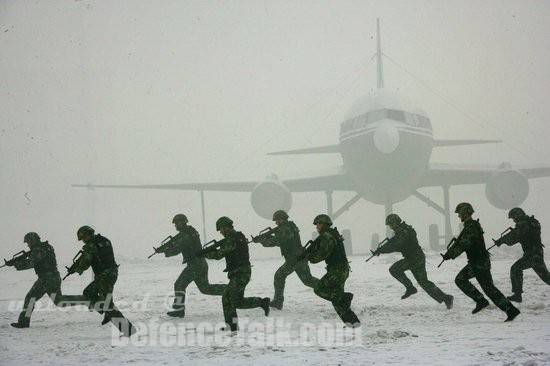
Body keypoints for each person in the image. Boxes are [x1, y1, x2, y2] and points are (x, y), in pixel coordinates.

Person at [441, 203, 520, 321]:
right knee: (489, 289)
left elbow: (464, 244)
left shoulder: (471, 227)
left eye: (460, 213)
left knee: (460, 280)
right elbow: (462, 243)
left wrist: (451, 254)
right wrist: (450, 253)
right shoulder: (471, 225)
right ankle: (511, 310)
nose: (458, 216)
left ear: (466, 213)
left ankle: (480, 300)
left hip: (478, 262)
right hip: (481, 261)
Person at [198, 216, 269, 331]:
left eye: (220, 229)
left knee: (232, 300)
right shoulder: (237, 236)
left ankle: (261, 303)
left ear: (226, 227)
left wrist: (204, 254)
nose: (220, 232)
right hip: (240, 272)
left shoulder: (231, 239)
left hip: (240, 273)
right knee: (229, 299)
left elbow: (219, 254)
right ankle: (233, 324)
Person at [372, 214, 454, 309]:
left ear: (395, 223)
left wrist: (381, 250)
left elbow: (396, 245)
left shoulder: (402, 231)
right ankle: (446, 298)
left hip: (413, 258)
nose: (390, 227)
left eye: (390, 224)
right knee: (424, 282)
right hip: (417, 257)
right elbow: (393, 243)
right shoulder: (403, 230)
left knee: (394, 269)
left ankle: (410, 288)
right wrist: (381, 249)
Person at [67, 225, 135, 336]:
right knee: (96, 295)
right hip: (111, 272)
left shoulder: (91, 245)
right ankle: (107, 313)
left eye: (83, 238)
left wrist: (76, 269)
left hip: (104, 276)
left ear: (87, 235)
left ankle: (128, 330)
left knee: (102, 301)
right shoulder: (104, 240)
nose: (83, 241)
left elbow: (85, 263)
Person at [155, 214, 227, 317]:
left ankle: (179, 309)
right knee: (205, 288)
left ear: (181, 223)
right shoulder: (191, 231)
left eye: (176, 223)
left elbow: (176, 250)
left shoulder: (185, 235)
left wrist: (165, 251)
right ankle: (229, 290)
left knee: (179, 284)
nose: (175, 225)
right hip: (201, 263)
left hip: (195, 265)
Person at [8, 232, 80, 328]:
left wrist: (16, 264)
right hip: (47, 278)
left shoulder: (39, 249)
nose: (28, 245)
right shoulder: (44, 247)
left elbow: (30, 263)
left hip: (49, 278)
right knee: (40, 299)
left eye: (28, 242)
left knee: (57, 301)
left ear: (32, 241)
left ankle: (88, 299)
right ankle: (23, 322)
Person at [253, 210, 319, 310]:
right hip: (299, 257)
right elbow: (283, 241)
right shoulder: (290, 227)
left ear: (282, 219)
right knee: (308, 280)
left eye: (277, 220)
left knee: (279, 276)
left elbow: (274, 242)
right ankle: (332, 290)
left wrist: (261, 240)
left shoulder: (285, 229)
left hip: (294, 259)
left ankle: (278, 302)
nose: (276, 222)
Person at [303, 214, 360, 327]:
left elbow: (322, 254)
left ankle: (345, 297)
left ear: (323, 224)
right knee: (336, 300)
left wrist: (308, 257)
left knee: (319, 289)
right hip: (342, 269)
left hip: (337, 271)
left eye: (318, 224)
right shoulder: (333, 234)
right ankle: (353, 322)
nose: (316, 227)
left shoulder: (327, 236)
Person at [493, 207, 550, 302]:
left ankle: (517, 295)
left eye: (513, 218)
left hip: (532, 255)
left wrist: (501, 241)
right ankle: (517, 295)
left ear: (517, 216)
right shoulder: (532, 222)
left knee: (515, 269)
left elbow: (513, 238)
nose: (514, 220)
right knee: (546, 277)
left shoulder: (524, 225)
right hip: (536, 253)